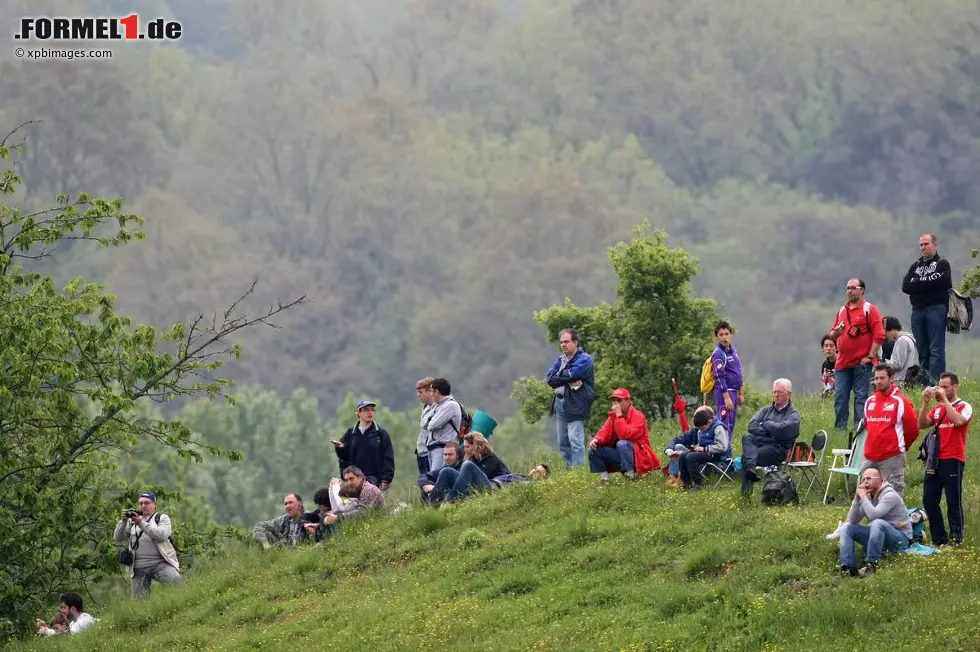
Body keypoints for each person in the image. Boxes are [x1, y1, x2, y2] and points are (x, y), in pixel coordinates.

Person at [918, 373, 972, 545]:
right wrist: (926, 402)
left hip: (953, 459)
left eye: (945, 387)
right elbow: (921, 424)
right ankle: (940, 539)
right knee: (929, 499)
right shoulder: (938, 408)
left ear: (955, 386)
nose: (941, 390)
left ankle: (957, 539)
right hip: (934, 461)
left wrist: (945, 401)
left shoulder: (964, 406)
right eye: (939, 386)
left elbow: (958, 421)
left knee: (953, 501)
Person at [827, 278, 885, 433]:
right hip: (842, 363)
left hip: (862, 363)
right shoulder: (841, 311)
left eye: (853, 288)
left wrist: (870, 356)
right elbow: (831, 335)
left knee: (861, 398)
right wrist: (836, 333)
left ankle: (859, 432)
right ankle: (840, 431)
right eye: (847, 288)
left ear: (862, 290)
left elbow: (879, 335)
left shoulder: (870, 310)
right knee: (840, 398)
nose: (849, 291)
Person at [838, 467, 912, 577]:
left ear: (880, 480)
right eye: (863, 479)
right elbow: (853, 519)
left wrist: (863, 497)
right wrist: (858, 499)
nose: (865, 482)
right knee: (846, 527)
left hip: (900, 539)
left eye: (869, 478)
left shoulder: (889, 495)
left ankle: (871, 565)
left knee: (878, 523)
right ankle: (849, 568)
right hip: (879, 536)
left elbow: (874, 515)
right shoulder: (868, 495)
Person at [861, 364, 920, 496]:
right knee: (863, 494)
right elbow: (868, 425)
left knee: (891, 497)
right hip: (869, 456)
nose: (878, 381)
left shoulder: (900, 401)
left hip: (891, 457)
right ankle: (870, 517)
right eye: (876, 378)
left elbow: (913, 430)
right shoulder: (870, 401)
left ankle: (894, 517)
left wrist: (900, 448)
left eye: (882, 378)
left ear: (891, 378)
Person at [902, 233, 952, 384]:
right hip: (917, 310)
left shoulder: (942, 264)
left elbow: (943, 283)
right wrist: (927, 282)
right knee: (923, 349)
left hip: (936, 309)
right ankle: (924, 383)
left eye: (926, 244)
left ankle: (937, 382)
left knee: (936, 348)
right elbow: (905, 286)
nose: (923, 247)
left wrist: (917, 283)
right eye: (921, 245)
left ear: (935, 245)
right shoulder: (915, 266)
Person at [112, 492, 182, 598]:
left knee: (177, 583)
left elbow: (161, 535)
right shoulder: (131, 521)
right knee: (139, 602)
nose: (143, 506)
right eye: (140, 503)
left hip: (160, 563)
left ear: (154, 504)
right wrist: (123, 521)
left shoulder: (161, 518)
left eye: (146, 503)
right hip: (138, 566)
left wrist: (141, 523)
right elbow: (118, 538)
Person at [740, 379, 801, 496]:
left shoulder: (793, 414)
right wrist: (770, 432)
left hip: (778, 448)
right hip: (762, 442)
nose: (776, 395)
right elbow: (751, 426)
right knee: (747, 437)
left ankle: (746, 493)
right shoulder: (766, 410)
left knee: (746, 458)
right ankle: (749, 477)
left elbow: (784, 429)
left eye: (780, 392)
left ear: (789, 394)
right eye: (774, 392)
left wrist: (766, 424)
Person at [546, 328, 596, 467]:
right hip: (560, 402)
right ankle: (570, 470)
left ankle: (578, 470)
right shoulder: (561, 359)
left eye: (566, 341)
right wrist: (567, 378)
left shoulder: (585, 359)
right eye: (561, 342)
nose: (563, 345)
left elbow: (572, 374)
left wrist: (563, 376)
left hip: (576, 402)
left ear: (575, 342)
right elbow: (550, 378)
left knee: (575, 439)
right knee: (563, 441)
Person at [587, 387, 660, 481]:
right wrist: (596, 440)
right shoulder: (613, 416)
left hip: (639, 456)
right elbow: (604, 432)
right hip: (623, 453)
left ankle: (631, 475)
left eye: (619, 400)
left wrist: (619, 416)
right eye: (613, 400)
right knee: (593, 449)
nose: (615, 403)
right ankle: (605, 479)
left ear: (628, 401)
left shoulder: (638, 416)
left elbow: (626, 435)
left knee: (622, 443)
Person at [334, 399, 395, 491]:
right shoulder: (350, 433)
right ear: (358, 413)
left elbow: (388, 458)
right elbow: (343, 458)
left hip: (375, 480)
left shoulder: (381, 434)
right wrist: (340, 448)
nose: (370, 412)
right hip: (354, 480)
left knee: (372, 505)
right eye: (366, 410)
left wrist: (386, 480)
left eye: (372, 410)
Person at [431, 433, 510, 503]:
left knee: (467, 465)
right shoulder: (472, 458)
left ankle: (452, 500)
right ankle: (432, 505)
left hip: (494, 488)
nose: (465, 450)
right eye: (464, 447)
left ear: (476, 446)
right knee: (446, 471)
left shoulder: (490, 458)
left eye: (467, 447)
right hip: (475, 488)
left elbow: (475, 479)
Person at [671, 407, 730, 490]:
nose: (701, 430)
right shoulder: (701, 430)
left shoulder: (719, 428)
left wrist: (704, 449)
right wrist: (694, 449)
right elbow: (701, 444)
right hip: (705, 452)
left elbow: (722, 447)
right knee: (683, 455)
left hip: (717, 454)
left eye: (702, 428)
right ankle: (686, 483)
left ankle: (698, 483)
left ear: (709, 421)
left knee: (691, 457)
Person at [422, 378, 463, 473]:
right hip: (433, 448)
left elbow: (432, 425)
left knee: (436, 478)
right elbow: (423, 424)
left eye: (432, 391)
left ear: (437, 391)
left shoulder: (450, 405)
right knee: (432, 477)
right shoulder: (437, 405)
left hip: (443, 448)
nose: (431, 394)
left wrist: (430, 419)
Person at [710, 321, 744, 436]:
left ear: (731, 334)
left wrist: (741, 393)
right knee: (724, 423)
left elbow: (739, 372)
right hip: (724, 393)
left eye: (726, 334)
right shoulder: (718, 354)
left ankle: (728, 450)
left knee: (732, 424)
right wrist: (726, 397)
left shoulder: (734, 352)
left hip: (735, 392)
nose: (724, 337)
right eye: (721, 335)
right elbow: (719, 376)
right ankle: (722, 451)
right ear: (716, 337)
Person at [882, 316, 920, 385]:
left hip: (900, 380)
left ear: (892, 329)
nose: (885, 336)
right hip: (904, 379)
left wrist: (884, 363)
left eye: (886, 332)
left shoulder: (902, 340)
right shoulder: (907, 339)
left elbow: (898, 364)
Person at [415, 377, 436, 475]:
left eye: (420, 392)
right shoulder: (425, 407)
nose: (418, 395)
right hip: (421, 452)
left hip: (430, 454)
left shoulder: (438, 408)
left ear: (429, 391)